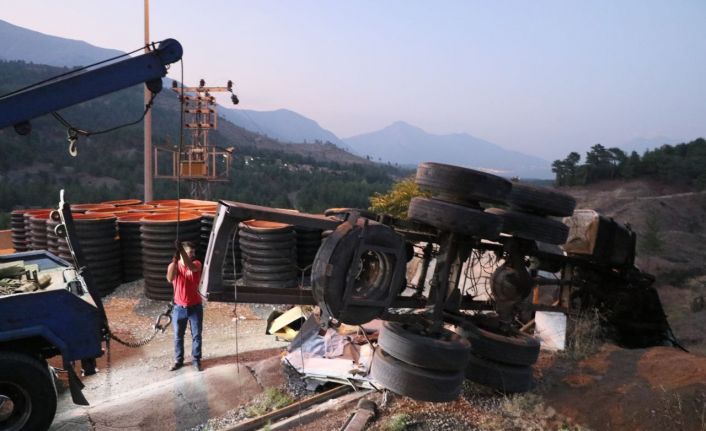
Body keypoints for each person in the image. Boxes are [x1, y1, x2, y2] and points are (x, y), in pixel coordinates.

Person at [166, 241, 204, 371]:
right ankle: (178, 360)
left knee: (196, 335)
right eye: (190, 252)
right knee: (178, 336)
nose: (193, 254)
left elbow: (191, 267)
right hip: (179, 307)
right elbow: (169, 278)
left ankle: (196, 359)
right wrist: (174, 261)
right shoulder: (174, 265)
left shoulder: (197, 264)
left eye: (194, 252)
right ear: (182, 253)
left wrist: (181, 251)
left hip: (195, 306)